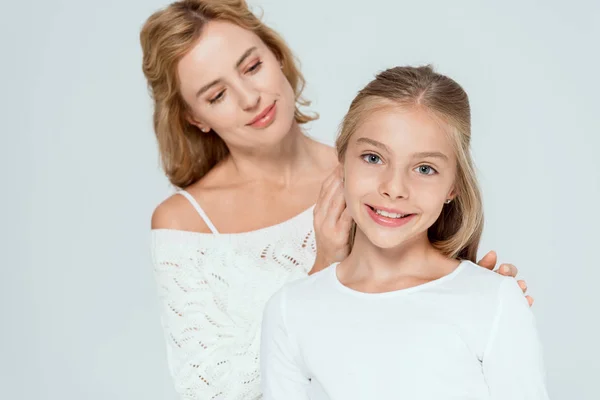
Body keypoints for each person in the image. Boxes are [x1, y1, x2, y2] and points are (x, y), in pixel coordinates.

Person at [141, 1, 531, 399]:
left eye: (252, 67)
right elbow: (206, 392)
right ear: (195, 118)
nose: (249, 98)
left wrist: (476, 300)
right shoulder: (183, 225)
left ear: (276, 55)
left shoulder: (375, 176)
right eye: (217, 94)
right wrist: (323, 268)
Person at [260, 65, 548, 400]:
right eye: (373, 157)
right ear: (342, 162)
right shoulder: (289, 310)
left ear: (453, 185)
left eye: (425, 168)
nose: (394, 188)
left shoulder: (494, 300)